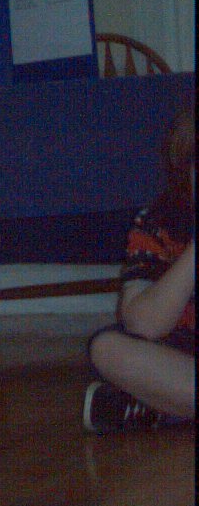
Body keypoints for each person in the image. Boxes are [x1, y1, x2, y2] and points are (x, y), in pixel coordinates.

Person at [84, 97, 195, 433]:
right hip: (181, 358)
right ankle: (169, 407)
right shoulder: (158, 221)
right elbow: (144, 325)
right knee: (106, 348)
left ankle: (160, 410)